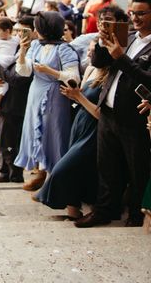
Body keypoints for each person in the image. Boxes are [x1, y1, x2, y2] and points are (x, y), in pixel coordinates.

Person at [76, 0, 151, 228]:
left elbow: (147, 79)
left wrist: (121, 57)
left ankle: (136, 215)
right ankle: (104, 211)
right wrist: (101, 41)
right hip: (108, 111)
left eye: (141, 13)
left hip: (134, 115)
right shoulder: (126, 37)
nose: (134, 18)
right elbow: (99, 63)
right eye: (132, 13)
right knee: (106, 166)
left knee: (136, 168)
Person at [35, 39, 105, 220]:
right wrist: (73, 96)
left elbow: (101, 114)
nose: (88, 54)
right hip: (80, 123)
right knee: (79, 170)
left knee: (65, 169)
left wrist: (78, 97)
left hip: (93, 128)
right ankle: (73, 211)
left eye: (92, 51)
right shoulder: (90, 69)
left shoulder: (109, 76)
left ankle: (90, 209)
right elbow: (81, 96)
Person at [15, 12, 80, 192]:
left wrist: (51, 71)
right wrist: (22, 50)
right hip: (35, 92)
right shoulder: (35, 45)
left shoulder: (64, 49)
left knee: (53, 134)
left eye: (37, 27)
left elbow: (74, 77)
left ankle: (54, 178)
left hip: (55, 94)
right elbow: (24, 71)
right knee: (34, 131)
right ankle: (40, 171)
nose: (35, 30)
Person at [0, 16, 35, 183]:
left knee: (10, 141)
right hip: (2, 101)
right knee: (1, 139)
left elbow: (18, 79)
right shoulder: (8, 46)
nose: (19, 34)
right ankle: (5, 171)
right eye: (18, 30)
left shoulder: (29, 50)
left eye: (23, 30)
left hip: (15, 103)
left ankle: (14, 173)